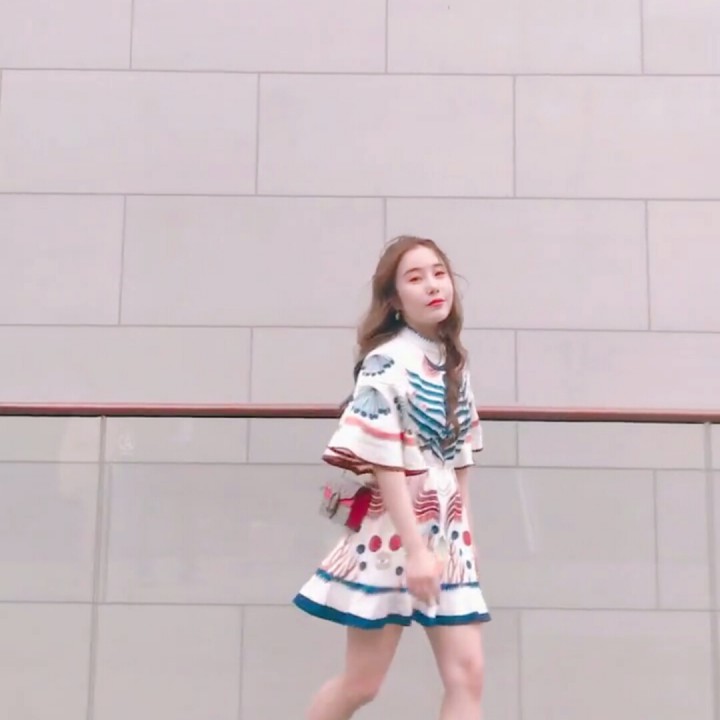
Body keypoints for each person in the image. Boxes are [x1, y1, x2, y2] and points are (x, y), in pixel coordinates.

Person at [293, 235, 491, 720]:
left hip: (444, 535)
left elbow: (460, 458)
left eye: (439, 273)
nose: (433, 286)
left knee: (468, 673)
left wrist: (464, 536)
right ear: (395, 299)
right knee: (363, 683)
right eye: (415, 278)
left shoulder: (453, 362)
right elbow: (386, 463)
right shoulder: (386, 363)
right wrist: (416, 549)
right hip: (393, 535)